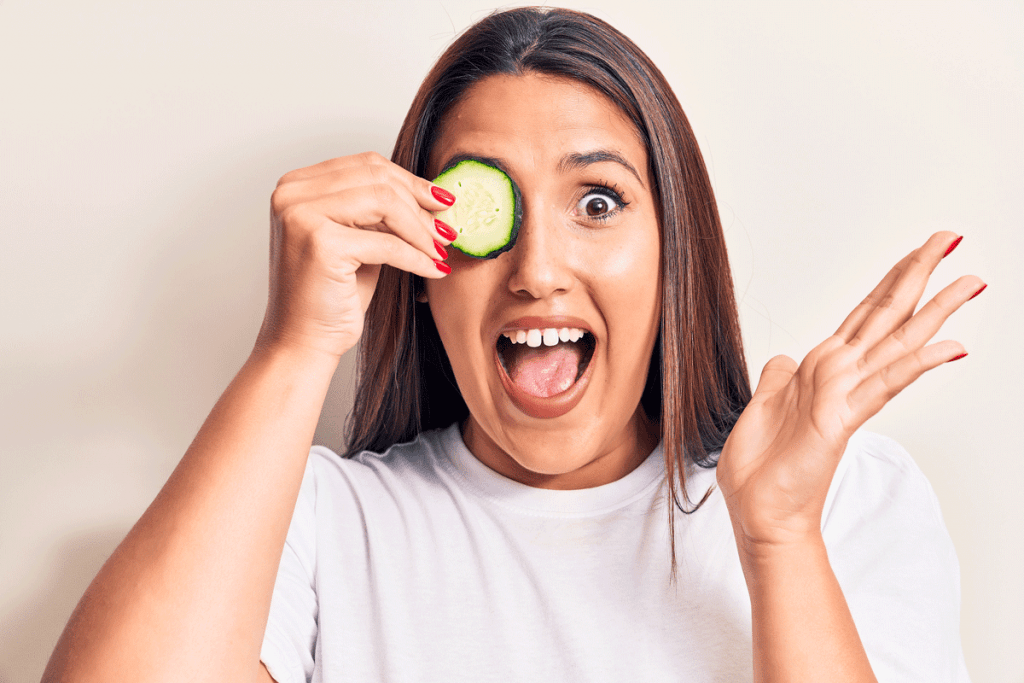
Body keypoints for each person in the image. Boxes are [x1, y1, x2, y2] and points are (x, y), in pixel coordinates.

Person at [43, 7, 976, 682]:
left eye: (597, 202)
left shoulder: (845, 501)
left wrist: (777, 539)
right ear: (421, 261)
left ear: (673, 251)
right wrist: (294, 346)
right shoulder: (317, 523)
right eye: (484, 206)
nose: (536, 268)